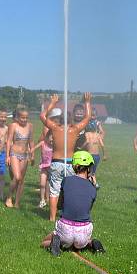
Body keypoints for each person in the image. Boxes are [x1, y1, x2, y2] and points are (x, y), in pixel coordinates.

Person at [40, 151, 105, 256]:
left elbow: (60, 205)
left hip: (66, 229)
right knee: (82, 241)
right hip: (83, 232)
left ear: (75, 166)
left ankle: (56, 243)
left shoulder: (67, 180)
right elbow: (87, 209)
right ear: (88, 168)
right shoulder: (93, 188)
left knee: (44, 242)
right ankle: (91, 243)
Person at [39, 93, 92, 222]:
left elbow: (42, 116)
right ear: (71, 119)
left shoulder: (55, 128)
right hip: (70, 164)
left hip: (56, 163)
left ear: (60, 120)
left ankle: (52, 218)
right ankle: (68, 217)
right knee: (70, 191)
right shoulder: (75, 129)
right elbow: (88, 117)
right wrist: (87, 102)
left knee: (54, 192)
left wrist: (52, 103)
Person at [5, 107, 34, 208]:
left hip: (25, 155)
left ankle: (17, 202)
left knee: (21, 180)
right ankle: (9, 197)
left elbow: (31, 141)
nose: (24, 120)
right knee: (16, 177)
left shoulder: (30, 126)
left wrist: (32, 155)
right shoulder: (13, 125)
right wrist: (7, 156)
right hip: (14, 154)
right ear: (17, 117)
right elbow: (8, 141)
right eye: (22, 118)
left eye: (26, 118)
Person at [31, 130, 54, 209]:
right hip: (44, 166)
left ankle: (49, 199)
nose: (52, 141)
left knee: (49, 185)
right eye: (51, 139)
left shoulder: (55, 146)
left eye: (54, 139)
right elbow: (34, 148)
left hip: (52, 168)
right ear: (47, 137)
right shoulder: (43, 143)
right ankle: (42, 200)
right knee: (42, 184)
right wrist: (30, 151)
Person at [82, 122, 105, 188]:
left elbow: (87, 141)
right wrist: (104, 155)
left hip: (89, 155)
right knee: (93, 171)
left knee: (88, 170)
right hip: (97, 156)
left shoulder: (87, 133)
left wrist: (81, 148)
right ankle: (95, 183)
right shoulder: (98, 135)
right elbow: (102, 145)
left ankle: (91, 184)